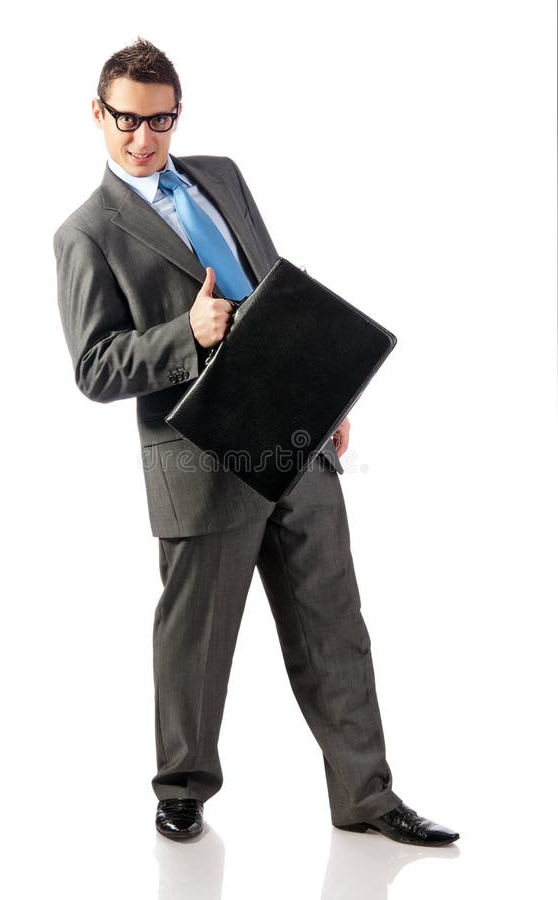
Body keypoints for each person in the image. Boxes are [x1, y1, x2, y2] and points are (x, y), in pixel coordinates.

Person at [54, 38, 459, 846]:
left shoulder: (222, 175)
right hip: (197, 460)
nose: (144, 138)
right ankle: (181, 789)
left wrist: (324, 386)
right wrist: (185, 333)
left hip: (294, 433)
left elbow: (274, 283)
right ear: (96, 115)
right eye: (127, 120)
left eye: (160, 119)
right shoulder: (87, 234)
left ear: (177, 114)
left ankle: (366, 797)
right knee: (197, 641)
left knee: (334, 622)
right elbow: (95, 368)